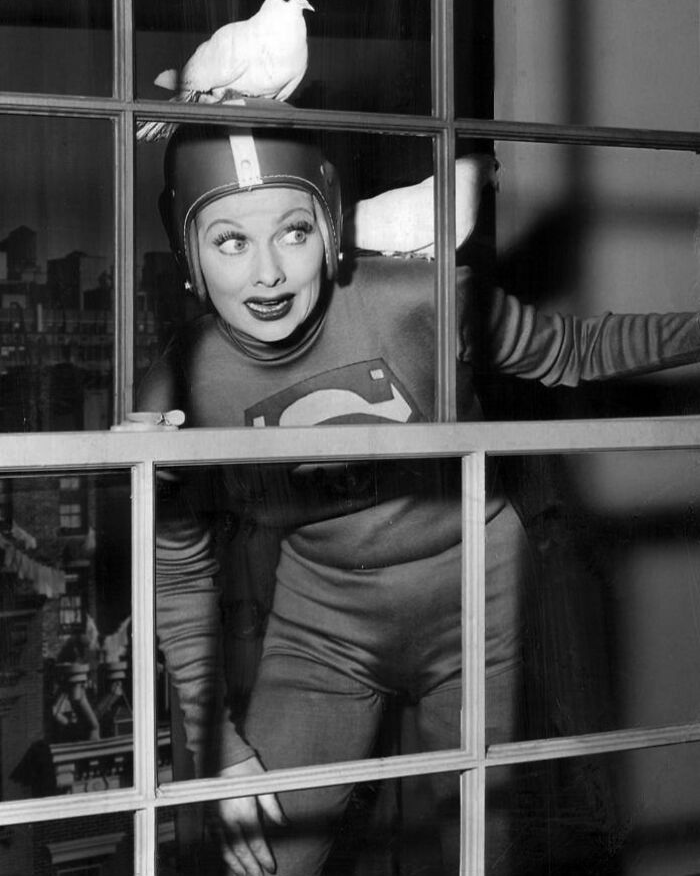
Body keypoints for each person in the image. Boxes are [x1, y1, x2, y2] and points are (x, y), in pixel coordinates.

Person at [139, 105, 700, 876]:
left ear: (331, 227)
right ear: (189, 252)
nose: (267, 273)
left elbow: (573, 347)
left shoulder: (419, 297)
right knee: (265, 858)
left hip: (478, 603)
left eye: (294, 231)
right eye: (230, 240)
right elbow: (177, 569)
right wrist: (220, 748)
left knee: (488, 854)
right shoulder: (181, 386)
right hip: (322, 628)